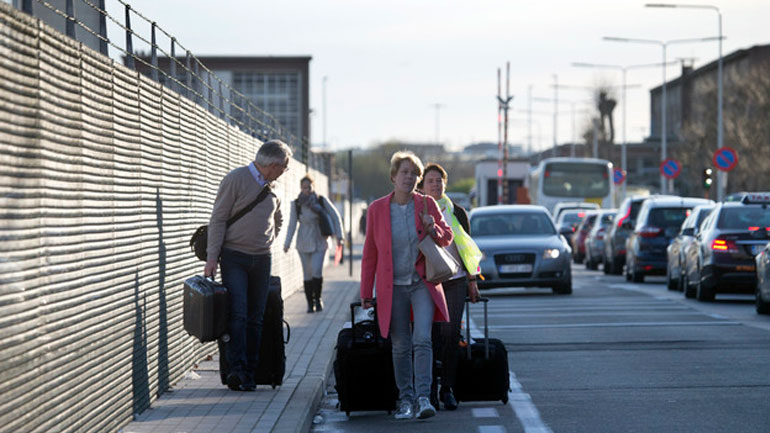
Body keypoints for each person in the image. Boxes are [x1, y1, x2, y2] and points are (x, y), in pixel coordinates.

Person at [360, 150, 453, 420]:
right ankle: (406, 399)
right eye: (404, 172)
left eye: (414, 174)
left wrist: (432, 227)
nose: (409, 177)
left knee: (422, 339)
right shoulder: (377, 209)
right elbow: (370, 254)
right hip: (393, 288)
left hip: (421, 283)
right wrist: (366, 292)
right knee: (400, 345)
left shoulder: (426, 204)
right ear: (393, 176)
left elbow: (446, 238)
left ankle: (424, 397)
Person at [204, 139, 292, 392]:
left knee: (256, 317)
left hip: (262, 259)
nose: (284, 172)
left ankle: (251, 373)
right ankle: (237, 371)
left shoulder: (272, 186)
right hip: (234, 258)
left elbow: (279, 218)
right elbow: (218, 219)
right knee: (238, 314)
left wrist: (266, 239)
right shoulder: (236, 179)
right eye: (284, 167)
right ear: (273, 165)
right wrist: (212, 258)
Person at [419, 163, 482, 411]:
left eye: (439, 180)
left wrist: (472, 280)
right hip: (427, 280)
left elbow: (468, 249)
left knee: (451, 333)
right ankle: (430, 391)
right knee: (430, 335)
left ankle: (448, 388)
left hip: (455, 280)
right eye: (430, 181)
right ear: (422, 185)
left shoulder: (457, 212)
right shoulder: (417, 209)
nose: (435, 184)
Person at [283, 175, 344, 313]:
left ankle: (318, 298)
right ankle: (310, 303)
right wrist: (287, 243)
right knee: (307, 273)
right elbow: (292, 224)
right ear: (301, 188)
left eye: (309, 187)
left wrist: (340, 236)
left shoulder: (321, 201)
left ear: (313, 187)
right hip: (303, 240)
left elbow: (335, 216)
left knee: (316, 269)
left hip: (319, 239)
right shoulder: (297, 204)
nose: (307, 190)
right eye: (304, 187)